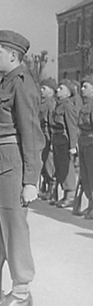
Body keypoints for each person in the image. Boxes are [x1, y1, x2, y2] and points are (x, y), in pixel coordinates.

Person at [0, 30, 44, 306]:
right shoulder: (5, 82)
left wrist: (31, 179)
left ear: (13, 55)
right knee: (2, 225)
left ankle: (21, 288)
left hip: (11, 158)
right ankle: (11, 286)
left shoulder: (22, 84)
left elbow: (32, 133)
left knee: (14, 226)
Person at [50, 79, 79, 208]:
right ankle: (66, 194)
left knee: (67, 168)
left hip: (64, 139)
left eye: (61, 89)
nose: (57, 90)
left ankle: (71, 194)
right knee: (60, 167)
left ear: (68, 93)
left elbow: (71, 126)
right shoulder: (58, 104)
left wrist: (73, 145)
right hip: (57, 139)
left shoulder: (67, 105)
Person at [38, 78, 57, 200]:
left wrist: (51, 142)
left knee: (49, 164)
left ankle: (52, 188)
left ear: (51, 91)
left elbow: (51, 123)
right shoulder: (41, 103)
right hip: (40, 135)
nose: (41, 90)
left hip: (47, 135)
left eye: (44, 88)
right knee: (43, 163)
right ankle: (45, 186)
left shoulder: (51, 104)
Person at [78, 75, 93, 219]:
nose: (82, 89)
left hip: (91, 142)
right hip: (83, 142)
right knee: (85, 176)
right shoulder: (83, 105)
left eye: (86, 87)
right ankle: (90, 204)